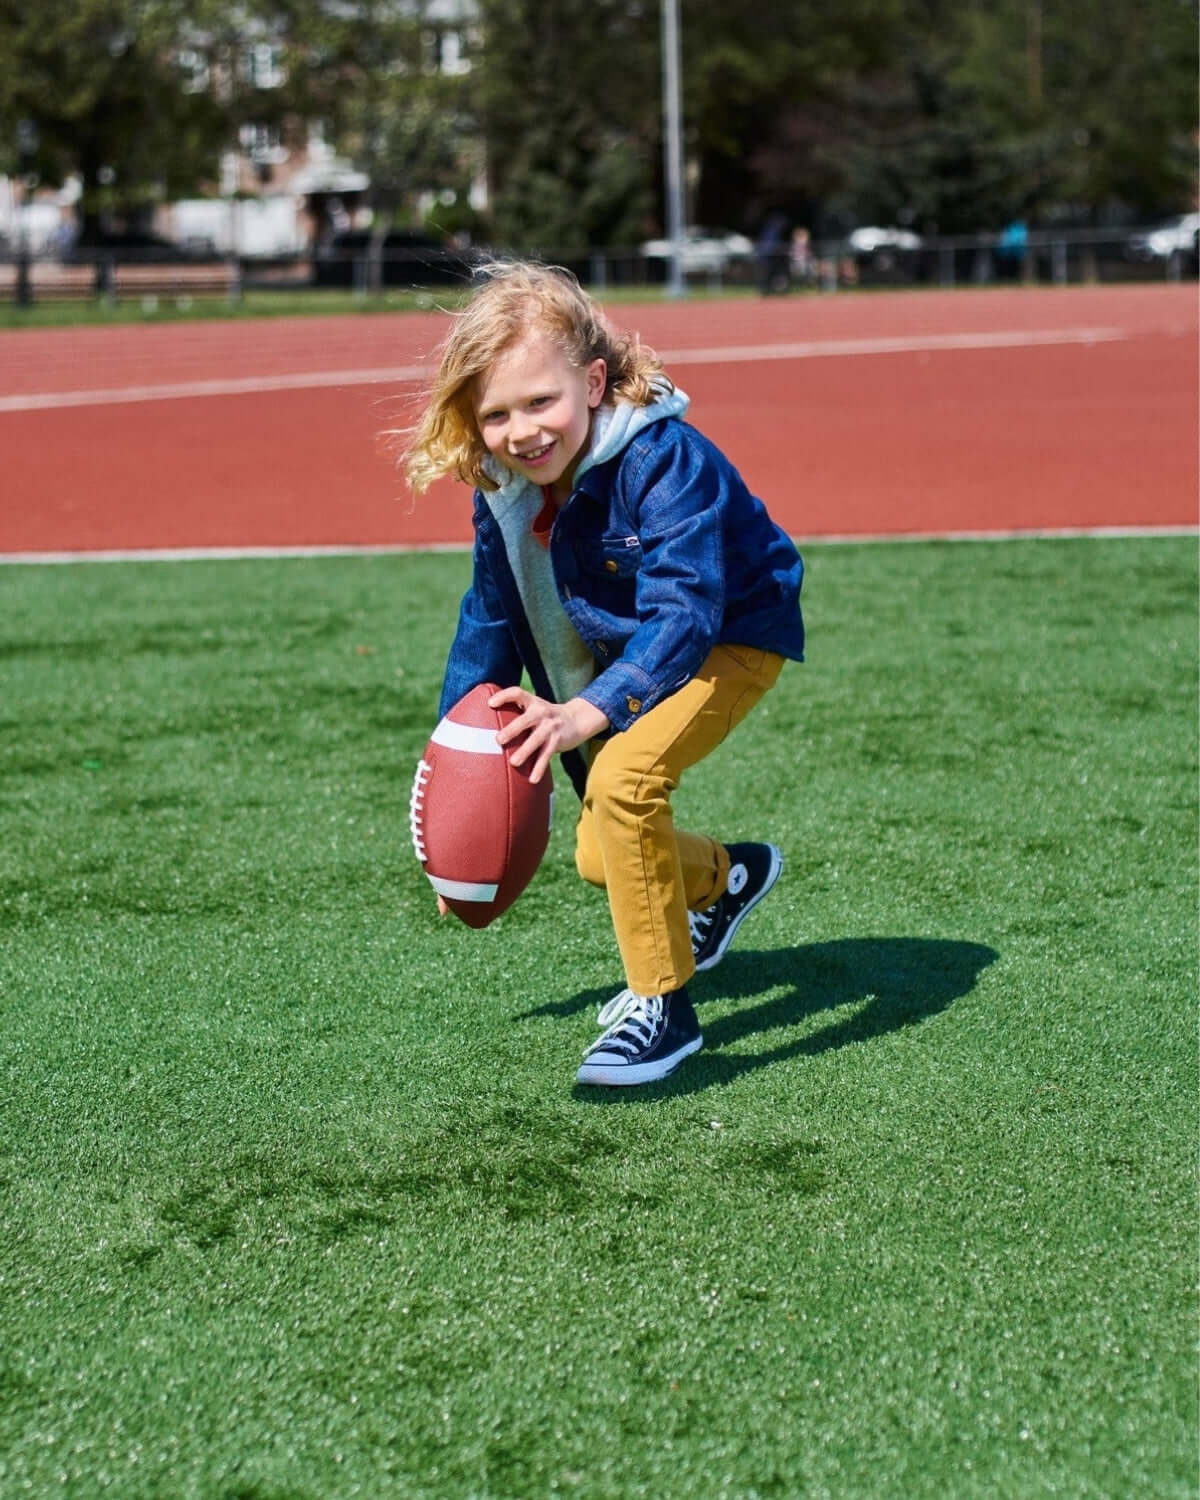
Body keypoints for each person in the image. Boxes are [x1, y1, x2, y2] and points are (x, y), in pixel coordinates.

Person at [402, 261, 805, 1087]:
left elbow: (688, 612)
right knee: (599, 852)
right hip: (632, 652)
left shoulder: (664, 456)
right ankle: (726, 878)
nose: (523, 432)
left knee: (622, 784)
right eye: (497, 415)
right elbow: (489, 619)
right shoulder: (503, 488)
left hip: (731, 631)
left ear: (592, 382)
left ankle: (664, 1010)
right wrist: (452, 805)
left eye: (540, 402)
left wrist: (588, 710)